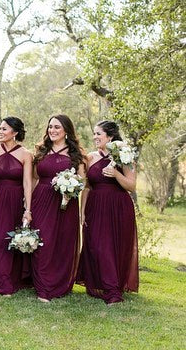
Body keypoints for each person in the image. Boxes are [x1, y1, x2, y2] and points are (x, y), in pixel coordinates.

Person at [78, 120, 138, 304]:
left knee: (111, 246)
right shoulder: (90, 158)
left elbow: (132, 185)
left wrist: (116, 174)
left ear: (110, 137)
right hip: (95, 206)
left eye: (99, 134)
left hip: (118, 207)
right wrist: (82, 212)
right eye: (94, 134)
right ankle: (99, 282)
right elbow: (87, 187)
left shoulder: (123, 155)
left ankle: (113, 290)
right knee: (97, 245)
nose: (95, 137)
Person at [31, 114, 85, 302]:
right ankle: (43, 286)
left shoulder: (76, 154)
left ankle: (59, 283)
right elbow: (34, 177)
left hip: (65, 203)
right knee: (42, 241)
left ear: (66, 131)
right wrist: (27, 204)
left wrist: (70, 187)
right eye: (50, 127)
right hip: (42, 200)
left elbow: (82, 181)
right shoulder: (41, 150)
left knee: (62, 242)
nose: (52, 130)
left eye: (57, 127)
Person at [0, 116, 33, 295]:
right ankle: (1, 280)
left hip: (15, 199)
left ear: (15, 133)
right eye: (0, 128)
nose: (0, 132)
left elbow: (27, 182)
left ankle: (12, 277)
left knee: (12, 238)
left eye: (4, 129)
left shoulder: (26, 154)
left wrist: (28, 209)